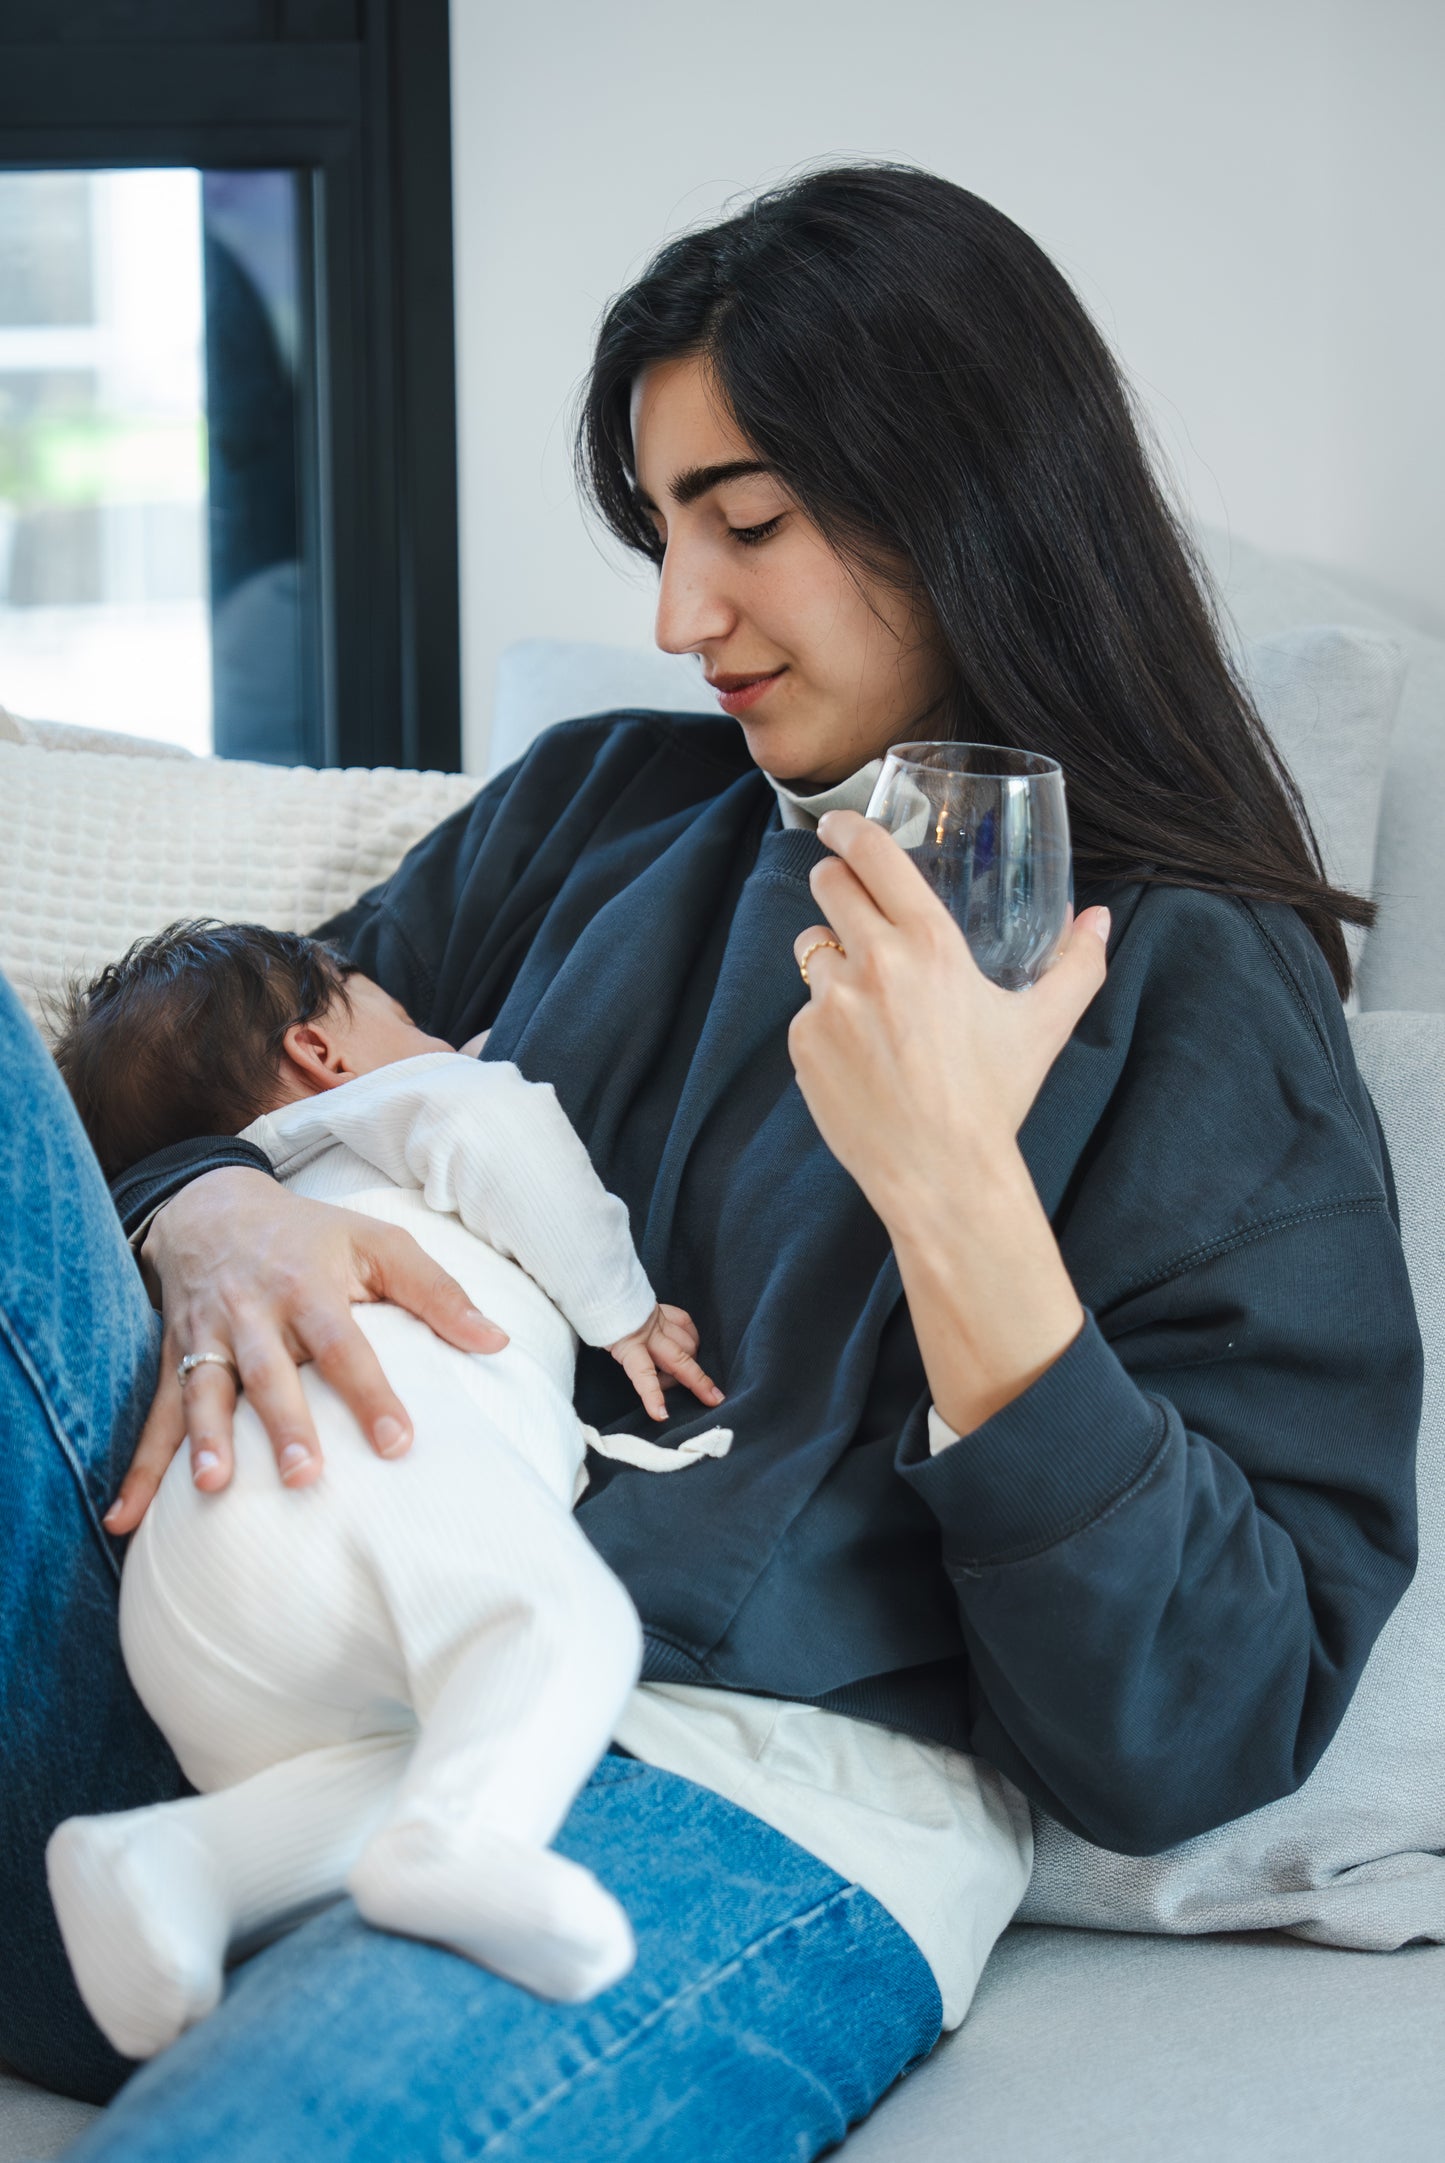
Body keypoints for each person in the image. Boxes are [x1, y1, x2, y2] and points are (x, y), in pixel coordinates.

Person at [0, 165, 1422, 2162]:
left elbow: (1197, 1718)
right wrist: (203, 1204)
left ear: (963, 501)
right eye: (664, 529)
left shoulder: (1185, 979)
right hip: (225, 1697)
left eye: (742, 524)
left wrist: (954, 1198)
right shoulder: (601, 806)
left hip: (720, 1777)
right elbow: (249, 1067)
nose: (677, 617)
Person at [45, 920, 733, 2058]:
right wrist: (622, 1309)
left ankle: (177, 1860)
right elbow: (493, 1122)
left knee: (448, 1742)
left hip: (192, 1601)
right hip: (356, 1462)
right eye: (402, 1019)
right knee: (561, 1631)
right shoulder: (385, 1110)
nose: (435, 1038)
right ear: (321, 1054)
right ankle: (466, 1843)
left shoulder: (256, 1196)